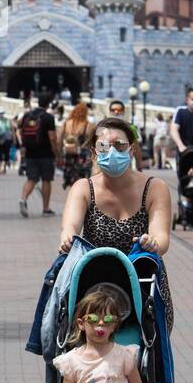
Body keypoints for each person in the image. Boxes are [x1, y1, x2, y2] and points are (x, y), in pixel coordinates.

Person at [59, 116, 174, 330]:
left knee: (148, 351)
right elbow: (70, 226)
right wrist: (67, 239)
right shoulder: (83, 188)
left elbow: (161, 236)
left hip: (141, 284)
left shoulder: (155, 187)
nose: (111, 151)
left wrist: (153, 243)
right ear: (94, 152)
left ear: (130, 150)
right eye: (103, 146)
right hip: (94, 289)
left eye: (119, 145)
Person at [18, 91, 60, 218]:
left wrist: (25, 146)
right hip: (46, 154)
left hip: (30, 153)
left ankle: (23, 199)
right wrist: (56, 153)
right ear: (48, 104)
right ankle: (46, 209)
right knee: (46, 180)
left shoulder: (27, 115)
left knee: (32, 178)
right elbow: (52, 138)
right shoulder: (48, 117)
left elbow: (20, 131)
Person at [60, 101, 93, 188]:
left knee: (70, 176)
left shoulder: (66, 123)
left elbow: (59, 139)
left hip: (68, 154)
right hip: (82, 156)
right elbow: (93, 141)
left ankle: (71, 193)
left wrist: (59, 153)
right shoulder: (88, 125)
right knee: (81, 179)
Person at [107, 99, 143, 170]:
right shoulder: (102, 128)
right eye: (113, 109)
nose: (116, 112)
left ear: (123, 111)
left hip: (125, 168)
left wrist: (139, 166)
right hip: (107, 167)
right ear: (109, 111)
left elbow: (136, 148)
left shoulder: (131, 127)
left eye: (119, 110)